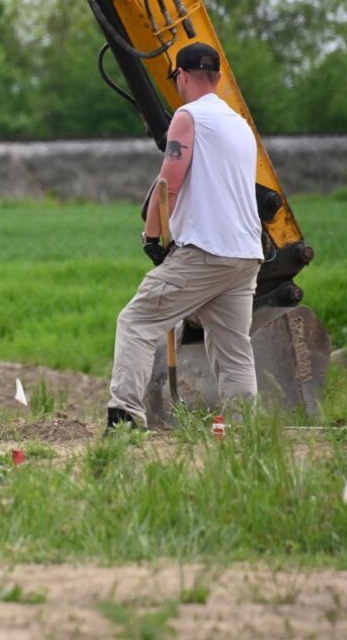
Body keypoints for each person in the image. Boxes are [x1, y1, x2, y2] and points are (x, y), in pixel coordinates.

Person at [106, 42, 263, 431]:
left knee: (137, 321)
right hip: (245, 255)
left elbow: (169, 183)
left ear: (184, 76)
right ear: (219, 77)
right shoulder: (241, 125)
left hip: (207, 251)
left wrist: (151, 237)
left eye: (177, 78)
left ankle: (125, 417)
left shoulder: (187, 117)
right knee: (233, 349)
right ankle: (245, 431)